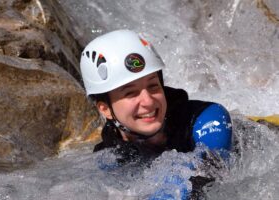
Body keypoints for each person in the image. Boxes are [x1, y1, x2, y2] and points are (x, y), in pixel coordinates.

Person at [80, 29, 232, 199]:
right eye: (130, 93)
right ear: (105, 109)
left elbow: (209, 170)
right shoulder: (110, 157)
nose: (148, 101)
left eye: (153, 86)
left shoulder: (205, 119)